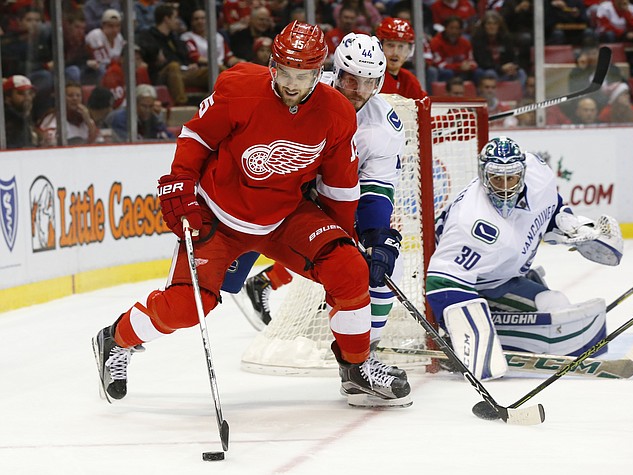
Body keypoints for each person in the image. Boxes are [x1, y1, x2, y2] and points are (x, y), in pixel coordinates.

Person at [92, 21, 410, 409]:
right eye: (286, 73)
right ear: (273, 65)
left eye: (303, 75)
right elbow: (197, 136)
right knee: (187, 306)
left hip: (285, 216)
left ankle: (356, 367)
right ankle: (117, 338)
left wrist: (345, 242)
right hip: (219, 218)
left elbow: (340, 189)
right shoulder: (240, 86)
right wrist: (180, 183)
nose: (292, 85)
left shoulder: (337, 112)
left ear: (318, 72)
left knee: (350, 269)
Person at [225, 33, 410, 406]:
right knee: (211, 288)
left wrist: (377, 234)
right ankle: (124, 338)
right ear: (333, 72)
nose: (358, 90)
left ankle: (358, 363)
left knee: (383, 266)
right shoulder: (301, 92)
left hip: (339, 200)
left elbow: (376, 185)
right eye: (350, 79)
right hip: (277, 199)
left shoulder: (383, 126)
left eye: (370, 82)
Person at [425, 136, 623, 380]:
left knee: (555, 303)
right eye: (497, 178)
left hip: (505, 274)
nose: (506, 186)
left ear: (523, 172)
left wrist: (567, 222)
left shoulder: (538, 174)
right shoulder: (473, 222)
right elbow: (441, 281)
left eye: (512, 178)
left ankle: (515, 339)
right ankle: (479, 339)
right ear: (484, 177)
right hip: (477, 287)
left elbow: (550, 206)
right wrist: (462, 332)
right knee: (553, 313)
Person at [138, 3, 209, 106]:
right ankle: (182, 104)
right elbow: (147, 55)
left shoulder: (175, 38)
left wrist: (190, 65)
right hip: (161, 75)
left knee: (214, 69)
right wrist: (155, 53)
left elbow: (184, 56)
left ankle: (213, 101)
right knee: (173, 66)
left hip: (183, 72)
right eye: (175, 17)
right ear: (166, 19)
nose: (178, 21)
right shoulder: (148, 36)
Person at [376, 17, 427, 100]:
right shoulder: (370, 78)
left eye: (401, 46)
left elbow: (421, 108)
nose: (395, 52)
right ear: (379, 46)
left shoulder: (409, 80)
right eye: (390, 45)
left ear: (410, 50)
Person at [37, 81, 100, 146]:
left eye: (78, 95)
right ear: (62, 98)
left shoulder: (85, 119)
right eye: (70, 95)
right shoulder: (53, 118)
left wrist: (88, 121)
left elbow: (94, 141)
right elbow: (49, 144)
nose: (75, 98)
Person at [107, 83, 173, 142]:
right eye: (144, 106)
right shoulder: (119, 118)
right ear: (135, 104)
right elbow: (125, 142)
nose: (148, 110)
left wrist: (159, 119)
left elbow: (170, 138)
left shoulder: (154, 117)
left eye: (151, 106)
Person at [2, 75, 38, 149]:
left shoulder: (23, 116)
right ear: (8, 97)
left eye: (30, 93)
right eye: (21, 93)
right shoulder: (8, 120)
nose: (27, 97)